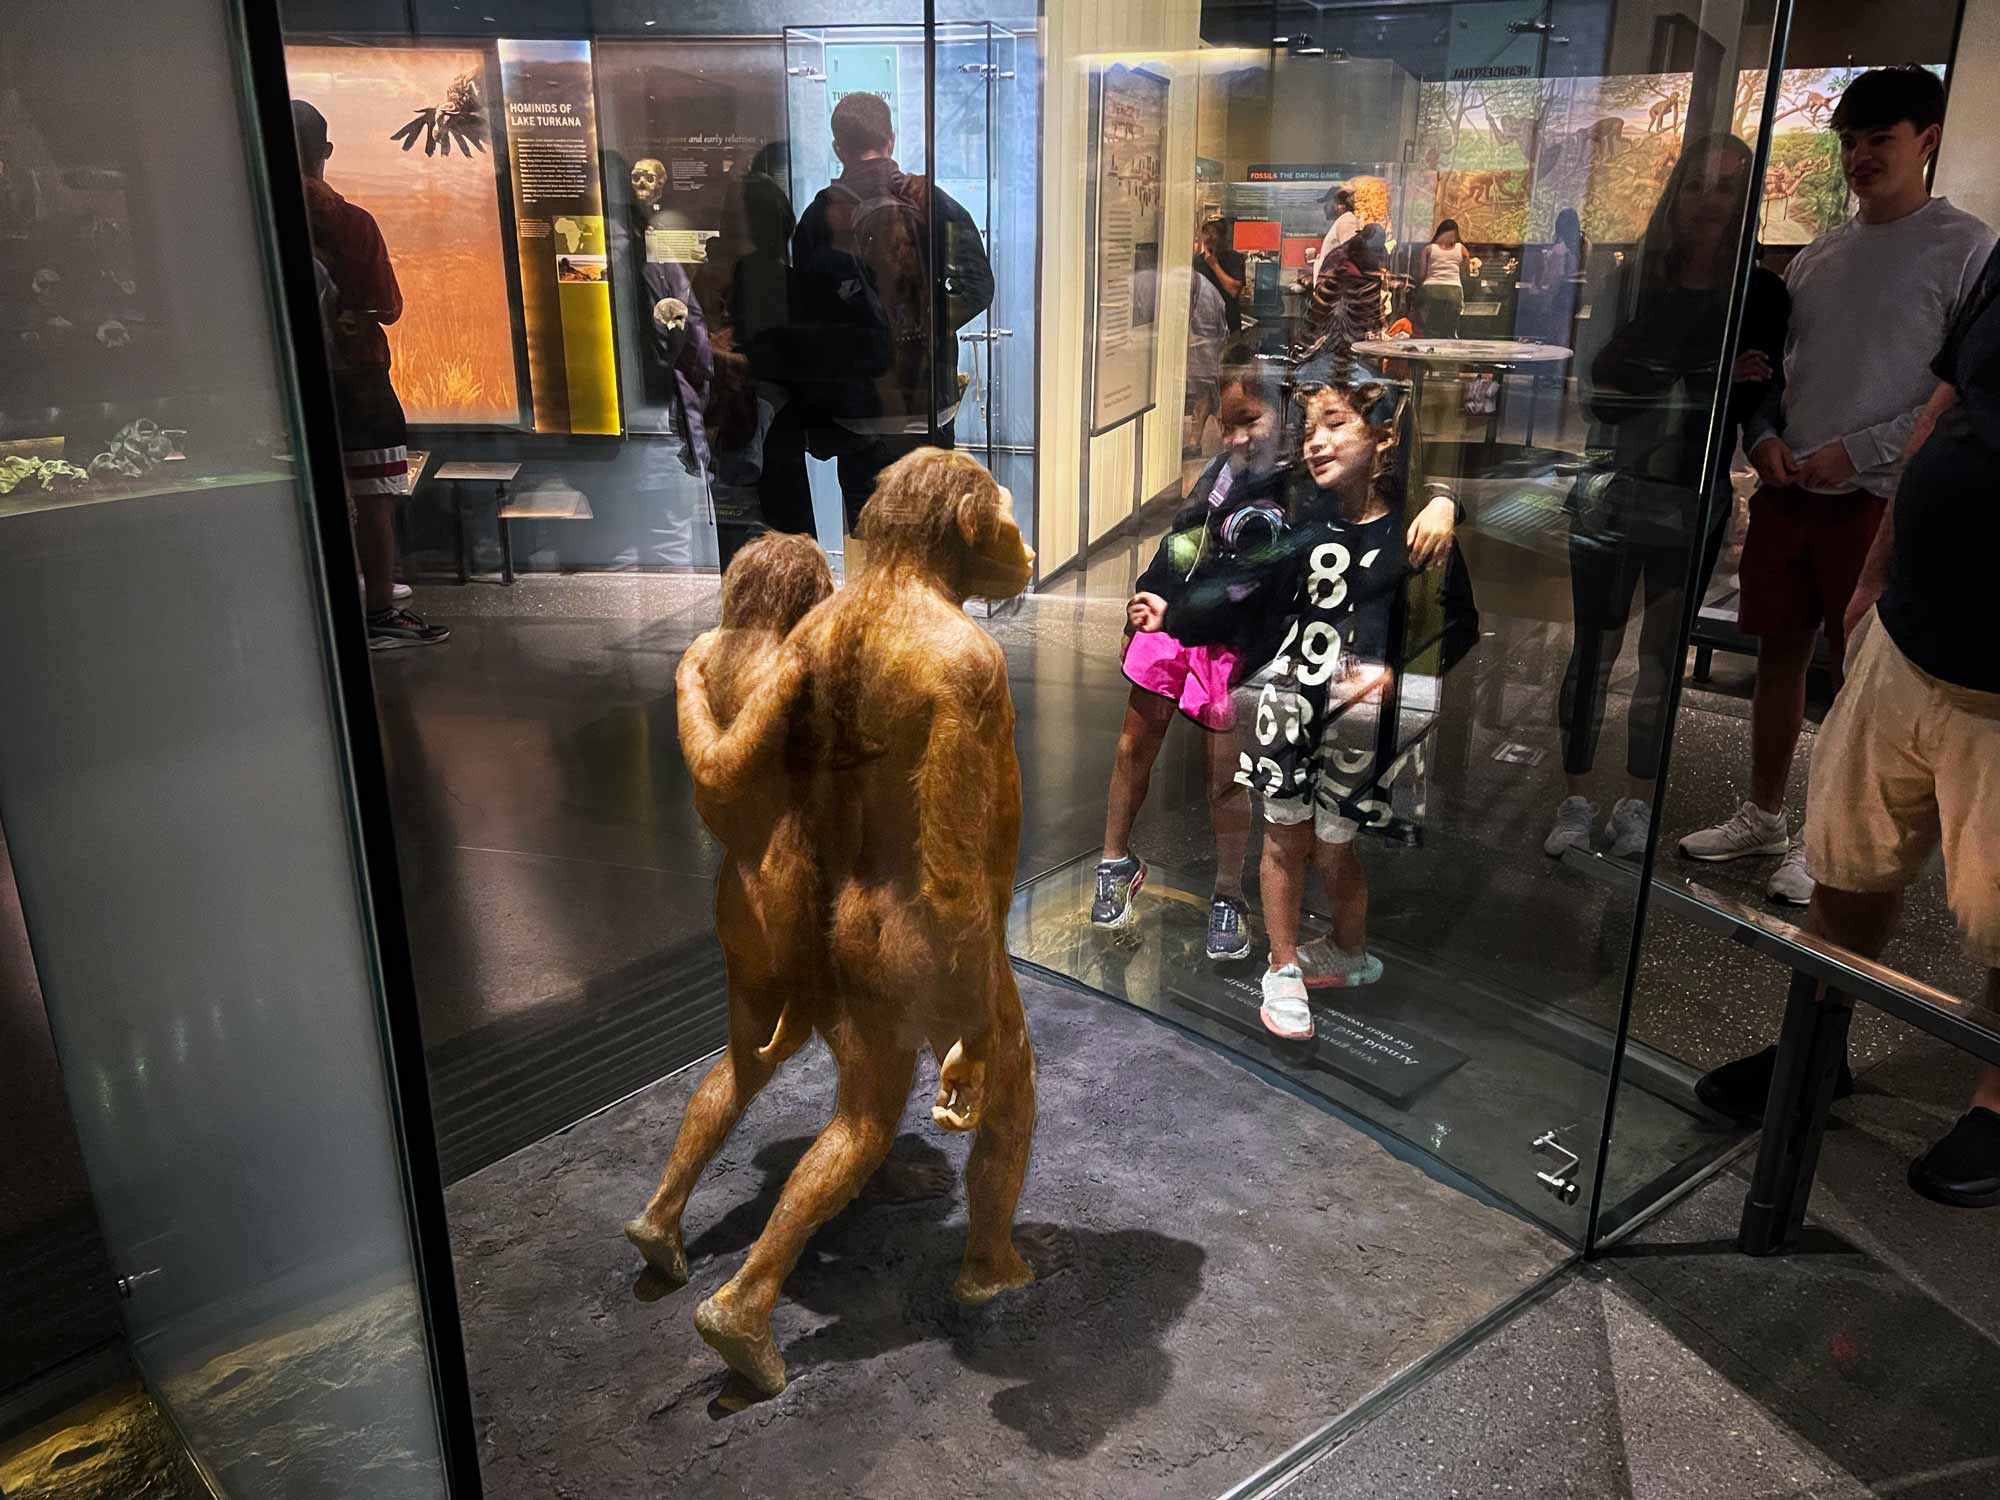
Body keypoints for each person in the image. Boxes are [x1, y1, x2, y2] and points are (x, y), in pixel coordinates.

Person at [1695, 241, 2000, 1208]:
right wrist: (1877, 568)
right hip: (1912, 631)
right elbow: (1951, 401)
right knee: (1849, 862)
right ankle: (1818, 1048)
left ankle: (1997, 1097)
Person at [1677, 68, 1993, 905]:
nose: (1859, 157)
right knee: (1780, 654)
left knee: (1857, 677)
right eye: (1849, 142)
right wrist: (1767, 435)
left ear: (1926, 138)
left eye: (1878, 140)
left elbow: (1953, 391)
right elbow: (1778, 370)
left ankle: (1826, 843)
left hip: (1884, 500)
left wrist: (1861, 452)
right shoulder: (1819, 254)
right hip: (1792, 489)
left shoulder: (1968, 249)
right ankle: (1765, 811)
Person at [1545, 137, 1788, 860]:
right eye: (1695, 185)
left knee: (1662, 658)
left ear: (1743, 202)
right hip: (1614, 488)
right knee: (1593, 648)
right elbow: (1605, 397)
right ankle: (1574, 796)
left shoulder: (1762, 292)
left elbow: (1755, 396)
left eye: (1724, 188)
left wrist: (1708, 385)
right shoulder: (1634, 279)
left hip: (1695, 492)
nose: (1707, 201)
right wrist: (1707, 366)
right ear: (1675, 193)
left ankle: (1640, 802)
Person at [1091, 347, 1290, 961]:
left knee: (1224, 779)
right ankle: (1114, 862)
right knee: (1132, 746)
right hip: (1179, 623)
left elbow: (1254, 585)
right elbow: (1182, 541)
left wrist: (1446, 499)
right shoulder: (1221, 472)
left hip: (1233, 642)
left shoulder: (1297, 486)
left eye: (1248, 421)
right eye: (1225, 422)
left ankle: (1230, 892)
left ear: (1283, 414)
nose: (1233, 436)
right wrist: (1148, 590)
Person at [788, 92, 994, 543]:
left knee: (869, 541)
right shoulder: (928, 200)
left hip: (859, 410)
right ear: (891, 139)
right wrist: (925, 327)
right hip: (928, 402)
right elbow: (979, 285)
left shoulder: (822, 214)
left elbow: (803, 315)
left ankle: (873, 612)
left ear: (838, 146)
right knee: (929, 537)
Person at [291, 99, 447, 651]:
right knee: (376, 496)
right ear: (324, 152)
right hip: (356, 379)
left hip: (287, 383)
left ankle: (333, 600)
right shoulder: (350, 221)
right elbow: (387, 304)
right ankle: (379, 607)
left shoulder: (255, 220)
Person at [1294, 223, 1387, 385]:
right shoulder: (1344, 261)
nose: (1378, 256)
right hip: (1333, 335)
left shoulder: (1356, 259)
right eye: (1376, 251)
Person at [1414, 221, 1478, 339]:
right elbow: (1467, 273)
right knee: (1449, 329)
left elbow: (1421, 275)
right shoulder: (1462, 249)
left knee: (1431, 327)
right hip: (1453, 290)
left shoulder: (1428, 249)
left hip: (1431, 289)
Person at [1195, 214, 1246, 334]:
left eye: (1214, 232)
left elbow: (1233, 291)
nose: (1210, 237)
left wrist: (1214, 265)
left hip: (1229, 325)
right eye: (1206, 232)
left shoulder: (1235, 259)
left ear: (1223, 236)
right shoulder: (1196, 262)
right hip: (1203, 328)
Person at [1311, 186, 1360, 281]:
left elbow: (1351, 259)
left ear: (1340, 205)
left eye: (1328, 203)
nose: (1325, 207)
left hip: (1336, 291)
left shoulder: (1346, 221)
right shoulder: (1343, 221)